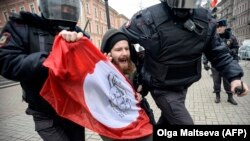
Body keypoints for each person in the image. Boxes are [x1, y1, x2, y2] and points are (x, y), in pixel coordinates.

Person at [120, 0, 249, 125]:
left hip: (183, 85)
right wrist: (132, 68)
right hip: (161, 87)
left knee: (169, 120)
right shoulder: (147, 19)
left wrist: (234, 78)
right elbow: (119, 37)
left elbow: (218, 53)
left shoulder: (204, 20)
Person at [0, 0, 89, 140]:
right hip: (45, 113)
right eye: (60, 6)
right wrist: (50, 60)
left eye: (69, 8)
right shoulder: (22, 26)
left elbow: (89, 69)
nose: (65, 10)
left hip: (73, 110)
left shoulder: (79, 34)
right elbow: (6, 61)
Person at [204, 19, 239, 105]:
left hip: (227, 63)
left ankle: (230, 97)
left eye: (220, 27)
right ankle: (217, 96)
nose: (218, 29)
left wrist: (231, 52)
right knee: (216, 80)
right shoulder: (212, 38)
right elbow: (207, 50)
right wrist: (205, 62)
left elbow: (236, 47)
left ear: (225, 27)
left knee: (227, 81)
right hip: (215, 64)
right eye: (217, 27)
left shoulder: (231, 37)